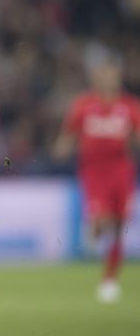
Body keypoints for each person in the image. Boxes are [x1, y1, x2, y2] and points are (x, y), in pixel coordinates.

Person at [53, 57, 140, 303]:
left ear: (117, 78)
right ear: (96, 78)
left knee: (119, 226)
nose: (107, 79)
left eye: (111, 75)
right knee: (102, 221)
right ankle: (93, 228)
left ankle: (110, 279)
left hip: (122, 170)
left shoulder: (129, 106)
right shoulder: (84, 105)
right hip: (93, 172)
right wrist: (61, 148)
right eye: (103, 75)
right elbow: (68, 135)